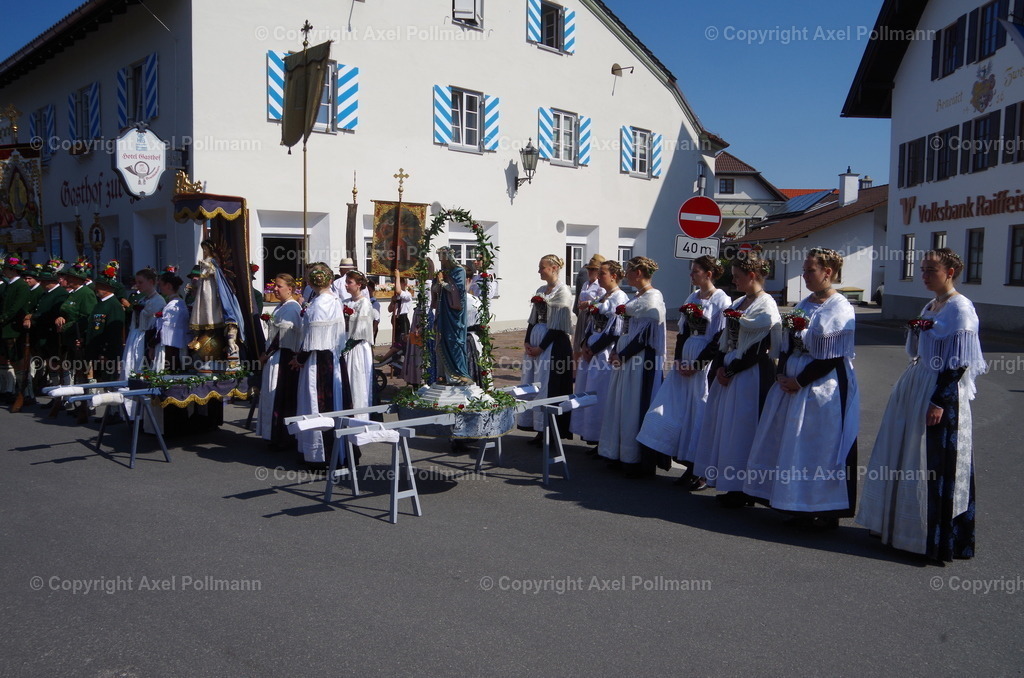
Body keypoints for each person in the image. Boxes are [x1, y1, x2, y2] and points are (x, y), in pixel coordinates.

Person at [857, 248, 986, 562]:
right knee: (907, 455)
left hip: (939, 390)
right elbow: (918, 350)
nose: (924, 275)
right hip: (917, 381)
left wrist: (939, 401)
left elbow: (959, 363)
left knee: (933, 461)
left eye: (931, 270)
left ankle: (934, 538)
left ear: (950, 272)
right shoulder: (931, 305)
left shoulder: (960, 308)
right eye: (923, 269)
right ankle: (901, 529)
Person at [743, 249, 859, 528]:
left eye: (810, 270)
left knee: (820, 446)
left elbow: (832, 356)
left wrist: (800, 380)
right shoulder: (805, 304)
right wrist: (782, 372)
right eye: (804, 270)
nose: (804, 275)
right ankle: (796, 503)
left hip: (823, 387)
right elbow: (786, 341)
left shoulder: (839, 307)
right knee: (794, 444)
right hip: (794, 384)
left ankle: (824, 509)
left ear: (827, 272)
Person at [691, 249, 781, 506]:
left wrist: (731, 370)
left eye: (737, 276)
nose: (733, 281)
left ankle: (744, 489)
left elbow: (759, 348)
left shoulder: (766, 305)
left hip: (750, 374)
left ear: (752, 275)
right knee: (727, 428)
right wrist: (720, 366)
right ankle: (730, 484)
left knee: (744, 429)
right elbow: (724, 340)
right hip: (730, 372)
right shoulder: (738, 303)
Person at [637, 255, 729, 488]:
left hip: (703, 366)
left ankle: (700, 469)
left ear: (709, 274)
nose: (691, 275)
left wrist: (697, 365)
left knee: (698, 414)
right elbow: (683, 332)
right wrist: (678, 360)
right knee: (673, 411)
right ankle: (681, 460)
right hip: (685, 362)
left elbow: (719, 338)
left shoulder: (721, 300)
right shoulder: (692, 297)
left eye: (696, 271)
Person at [598, 256, 669, 477]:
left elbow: (644, 337)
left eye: (628, 271)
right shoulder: (637, 297)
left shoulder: (653, 298)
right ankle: (619, 453)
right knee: (621, 404)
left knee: (633, 406)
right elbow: (626, 329)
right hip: (625, 360)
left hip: (639, 362)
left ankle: (635, 458)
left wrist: (623, 354)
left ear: (638, 273)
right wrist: (616, 351)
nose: (625, 275)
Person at [571, 260, 629, 451]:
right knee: (588, 389)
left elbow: (616, 331)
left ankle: (602, 438)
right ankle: (591, 434)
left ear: (614, 276)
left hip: (604, 352)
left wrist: (594, 349)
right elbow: (590, 322)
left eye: (602, 273)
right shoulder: (603, 296)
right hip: (592, 350)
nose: (599, 276)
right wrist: (585, 344)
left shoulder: (620, 298)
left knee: (601, 392)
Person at [292, 263, 345, 466]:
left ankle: (321, 454)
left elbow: (313, 340)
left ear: (311, 282)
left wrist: (299, 359)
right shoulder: (334, 300)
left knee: (317, 403)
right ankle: (332, 452)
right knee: (333, 402)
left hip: (318, 363)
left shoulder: (320, 303)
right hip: (332, 358)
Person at [518, 254, 574, 442]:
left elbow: (558, 326)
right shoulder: (541, 290)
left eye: (542, 267)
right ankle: (538, 427)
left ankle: (550, 430)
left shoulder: (563, 292)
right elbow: (533, 318)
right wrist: (527, 341)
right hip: (537, 341)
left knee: (549, 386)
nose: (539, 271)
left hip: (553, 345)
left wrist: (541, 347)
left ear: (554, 268)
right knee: (533, 381)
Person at [258, 274, 303, 450]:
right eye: (274, 286)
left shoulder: (291, 308)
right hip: (275, 356)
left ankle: (282, 437)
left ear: (290, 289)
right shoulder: (281, 306)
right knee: (272, 394)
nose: (275, 289)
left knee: (280, 395)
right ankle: (273, 434)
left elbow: (281, 338)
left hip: (282, 358)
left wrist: (266, 354)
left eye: (279, 286)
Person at [52, 259, 97, 421]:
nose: (67, 279)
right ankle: (79, 403)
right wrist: (61, 318)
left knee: (84, 371)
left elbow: (87, 318)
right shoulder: (74, 293)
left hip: (79, 337)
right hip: (70, 337)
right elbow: (68, 311)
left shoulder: (86, 293)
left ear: (78, 279)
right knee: (76, 372)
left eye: (70, 277)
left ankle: (89, 404)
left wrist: (67, 326)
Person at [24, 259, 69, 398]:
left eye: (43, 281)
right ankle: (55, 394)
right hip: (44, 334)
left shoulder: (60, 294)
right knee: (51, 364)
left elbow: (52, 313)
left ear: (50, 282)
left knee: (57, 364)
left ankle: (63, 395)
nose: (41, 284)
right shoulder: (45, 294)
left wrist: (33, 317)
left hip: (53, 334)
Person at [434, 247, 472, 385]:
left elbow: (459, 291)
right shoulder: (444, 272)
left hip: (455, 314)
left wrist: (442, 283)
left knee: (455, 341)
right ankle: (444, 375)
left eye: (442, 259)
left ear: (448, 258)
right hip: (444, 312)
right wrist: (437, 284)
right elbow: (436, 290)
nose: (441, 262)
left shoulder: (459, 271)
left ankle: (460, 373)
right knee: (442, 340)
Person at [341, 270, 375, 410]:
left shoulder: (364, 303)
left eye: (349, 282)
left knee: (357, 380)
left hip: (357, 347)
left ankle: (359, 411)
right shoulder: (345, 302)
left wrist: (347, 347)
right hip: (345, 344)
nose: (346, 285)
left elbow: (361, 330)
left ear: (359, 285)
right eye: (346, 282)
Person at [122, 268, 164, 380]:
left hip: (146, 336)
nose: (137, 285)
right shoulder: (142, 299)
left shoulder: (158, 300)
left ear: (151, 282)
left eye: (140, 282)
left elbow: (155, 324)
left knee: (142, 363)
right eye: (136, 282)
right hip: (135, 335)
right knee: (131, 363)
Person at [0, 254, 30, 407]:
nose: (4, 271)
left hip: (14, 329)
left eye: (6, 268)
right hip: (7, 328)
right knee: (11, 360)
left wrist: (3, 318)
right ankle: (15, 391)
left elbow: (15, 307)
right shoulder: (9, 284)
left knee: (19, 362)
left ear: (12, 270)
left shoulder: (21, 285)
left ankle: (25, 393)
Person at [154, 268, 188, 373]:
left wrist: (152, 344)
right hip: (176, 345)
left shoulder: (172, 306)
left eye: (161, 285)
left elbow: (165, 330)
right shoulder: (178, 303)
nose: (159, 287)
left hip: (170, 347)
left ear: (168, 286)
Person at [571, 255, 606, 355]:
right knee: (578, 343)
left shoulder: (600, 285)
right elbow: (580, 296)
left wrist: (589, 303)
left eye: (593, 269)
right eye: (589, 269)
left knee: (587, 342)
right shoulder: (586, 283)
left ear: (598, 271)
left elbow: (602, 299)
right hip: (582, 315)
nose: (590, 271)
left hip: (592, 316)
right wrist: (579, 304)